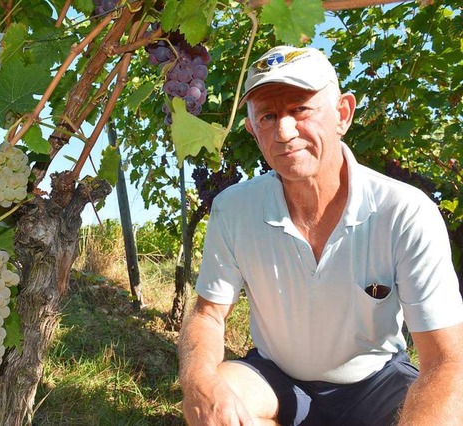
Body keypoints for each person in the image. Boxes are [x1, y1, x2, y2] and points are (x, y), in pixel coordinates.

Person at [178, 45, 463, 426]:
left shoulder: (405, 212)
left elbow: (447, 361)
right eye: (268, 115)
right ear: (252, 129)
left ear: (343, 114)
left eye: (300, 109)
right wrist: (198, 381)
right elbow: (208, 315)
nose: (284, 131)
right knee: (221, 406)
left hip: (377, 383)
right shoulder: (234, 209)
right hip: (275, 378)